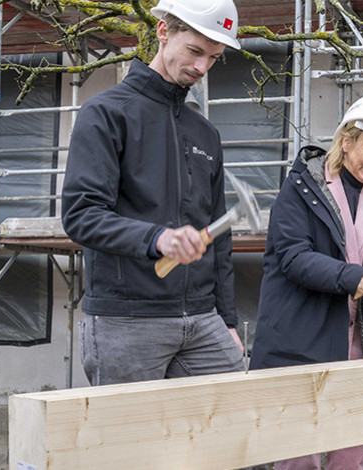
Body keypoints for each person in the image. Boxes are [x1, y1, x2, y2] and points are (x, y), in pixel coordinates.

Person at [61, 0, 244, 387]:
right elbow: (82, 215)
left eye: (214, 57)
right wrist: (158, 238)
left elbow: (219, 241)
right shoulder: (107, 114)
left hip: (201, 318)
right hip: (127, 319)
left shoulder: (205, 133)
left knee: (231, 428)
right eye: (195, 51)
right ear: (163, 32)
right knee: (131, 444)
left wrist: (227, 320)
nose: (202, 67)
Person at [250, 93, 363, 470]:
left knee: (351, 458)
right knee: (296, 458)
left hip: (355, 342)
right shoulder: (299, 189)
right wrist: (358, 278)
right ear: (346, 141)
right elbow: (294, 259)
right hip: (297, 342)